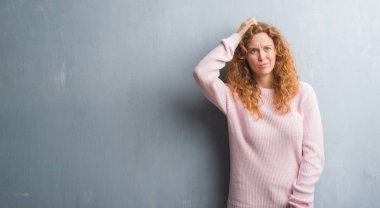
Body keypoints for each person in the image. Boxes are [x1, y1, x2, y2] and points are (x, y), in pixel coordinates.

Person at [193, 17, 324, 208]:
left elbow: (314, 156)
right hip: (244, 204)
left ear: (277, 51)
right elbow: (201, 73)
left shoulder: (303, 94)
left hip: (292, 204)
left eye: (267, 48)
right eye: (253, 51)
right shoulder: (234, 97)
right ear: (245, 57)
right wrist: (238, 36)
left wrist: (299, 203)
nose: (262, 56)